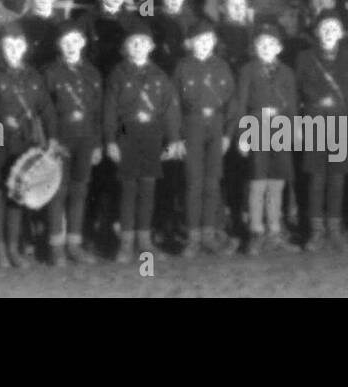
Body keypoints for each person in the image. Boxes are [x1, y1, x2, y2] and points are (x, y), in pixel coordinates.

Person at [104, 22, 180, 263]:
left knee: (147, 189)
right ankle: (126, 243)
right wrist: (110, 140)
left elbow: (170, 110)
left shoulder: (159, 76)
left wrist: (174, 139)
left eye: (143, 43)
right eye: (133, 43)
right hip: (126, 134)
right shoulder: (118, 75)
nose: (138, 47)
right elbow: (109, 110)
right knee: (129, 190)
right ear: (126, 47)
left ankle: (145, 242)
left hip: (151, 135)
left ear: (151, 47)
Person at [0, 22, 54, 267]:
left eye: (17, 45)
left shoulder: (34, 76)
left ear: (24, 47)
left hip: (25, 140)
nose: (13, 50)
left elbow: (45, 109)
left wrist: (51, 139)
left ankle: (13, 248)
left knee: (18, 191)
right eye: (7, 45)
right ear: (0, 48)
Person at [294, 10, 348, 251]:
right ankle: (316, 231)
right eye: (325, 27)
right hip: (315, 120)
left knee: (338, 178)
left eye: (335, 27)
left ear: (341, 32)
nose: (330, 32)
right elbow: (298, 91)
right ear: (317, 31)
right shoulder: (305, 57)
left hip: (339, 121)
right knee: (316, 178)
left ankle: (334, 229)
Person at [174, 17, 238, 257]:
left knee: (212, 183)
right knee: (193, 183)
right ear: (190, 43)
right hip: (192, 127)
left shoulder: (221, 66)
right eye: (199, 40)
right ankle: (193, 237)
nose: (204, 44)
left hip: (217, 128)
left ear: (214, 42)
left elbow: (232, 102)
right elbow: (174, 104)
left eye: (208, 40)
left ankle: (209, 235)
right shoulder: (182, 67)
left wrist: (228, 135)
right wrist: (176, 137)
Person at [43, 19, 103, 265]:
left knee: (80, 190)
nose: (71, 46)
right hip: (60, 139)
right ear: (59, 44)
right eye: (66, 42)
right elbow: (45, 111)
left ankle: (75, 244)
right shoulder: (51, 73)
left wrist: (98, 143)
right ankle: (56, 246)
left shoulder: (92, 73)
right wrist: (51, 141)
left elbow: (98, 112)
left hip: (86, 139)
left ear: (83, 43)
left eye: (75, 41)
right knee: (58, 191)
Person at [236, 21, 298, 255]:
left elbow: (291, 105)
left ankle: (274, 231)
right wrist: (243, 135)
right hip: (256, 123)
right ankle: (256, 232)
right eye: (261, 44)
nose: (266, 47)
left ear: (279, 48)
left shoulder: (287, 72)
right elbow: (241, 103)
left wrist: (293, 130)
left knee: (277, 182)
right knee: (257, 181)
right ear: (255, 47)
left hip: (280, 126)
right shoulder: (248, 70)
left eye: (271, 43)